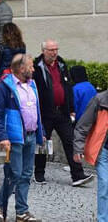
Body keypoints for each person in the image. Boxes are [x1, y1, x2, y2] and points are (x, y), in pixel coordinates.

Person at [0, 54, 44, 222]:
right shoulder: (5, 86)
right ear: (21, 69)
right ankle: (1, 205)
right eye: (31, 66)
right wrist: (2, 137)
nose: (33, 69)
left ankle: (22, 211)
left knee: (27, 174)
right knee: (14, 174)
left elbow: (36, 110)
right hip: (14, 138)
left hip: (31, 135)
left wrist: (40, 131)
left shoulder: (32, 84)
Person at [33, 39, 93, 186]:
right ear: (43, 51)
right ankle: (39, 174)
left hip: (62, 112)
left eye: (56, 49)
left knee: (70, 141)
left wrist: (71, 109)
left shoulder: (61, 64)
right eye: (51, 50)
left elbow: (67, 87)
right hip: (45, 112)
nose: (54, 53)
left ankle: (77, 175)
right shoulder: (36, 67)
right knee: (42, 144)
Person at [73, 90, 108, 222]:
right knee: (105, 184)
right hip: (103, 151)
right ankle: (103, 219)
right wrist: (78, 149)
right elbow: (82, 126)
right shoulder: (99, 100)